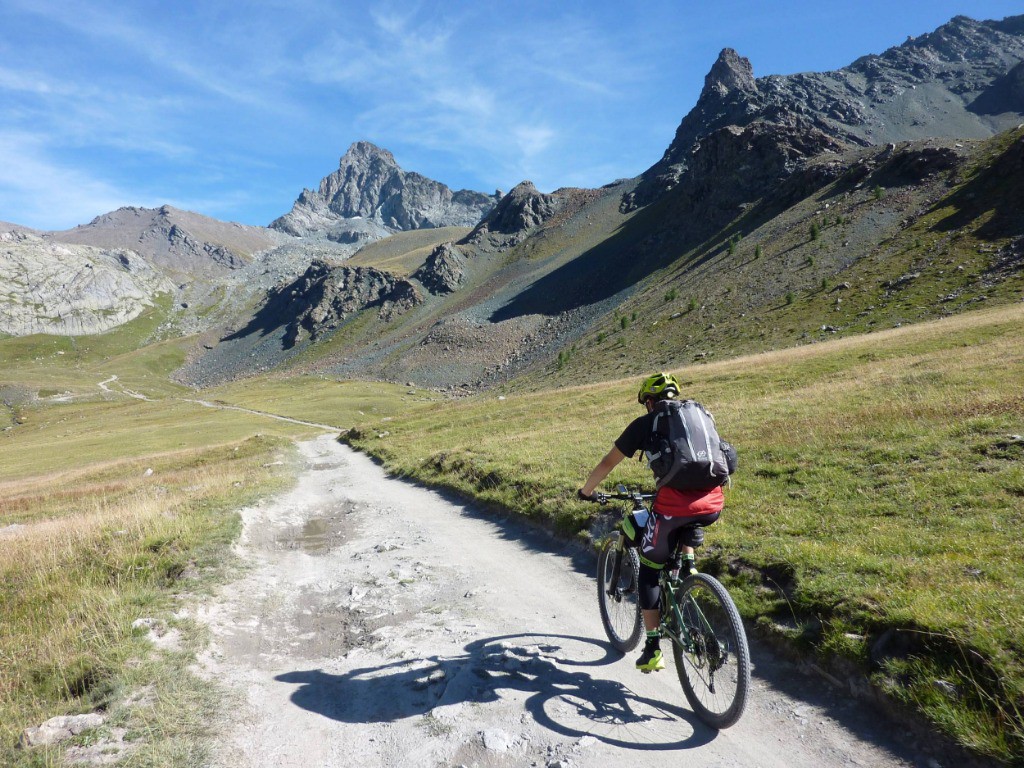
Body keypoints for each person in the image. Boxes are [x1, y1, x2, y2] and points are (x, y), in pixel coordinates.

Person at [578, 373, 724, 673]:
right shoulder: (698, 416)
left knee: (649, 569)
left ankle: (653, 647)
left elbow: (608, 462)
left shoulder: (645, 423)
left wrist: (586, 491)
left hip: (674, 507)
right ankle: (688, 567)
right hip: (713, 503)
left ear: (648, 401)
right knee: (687, 519)